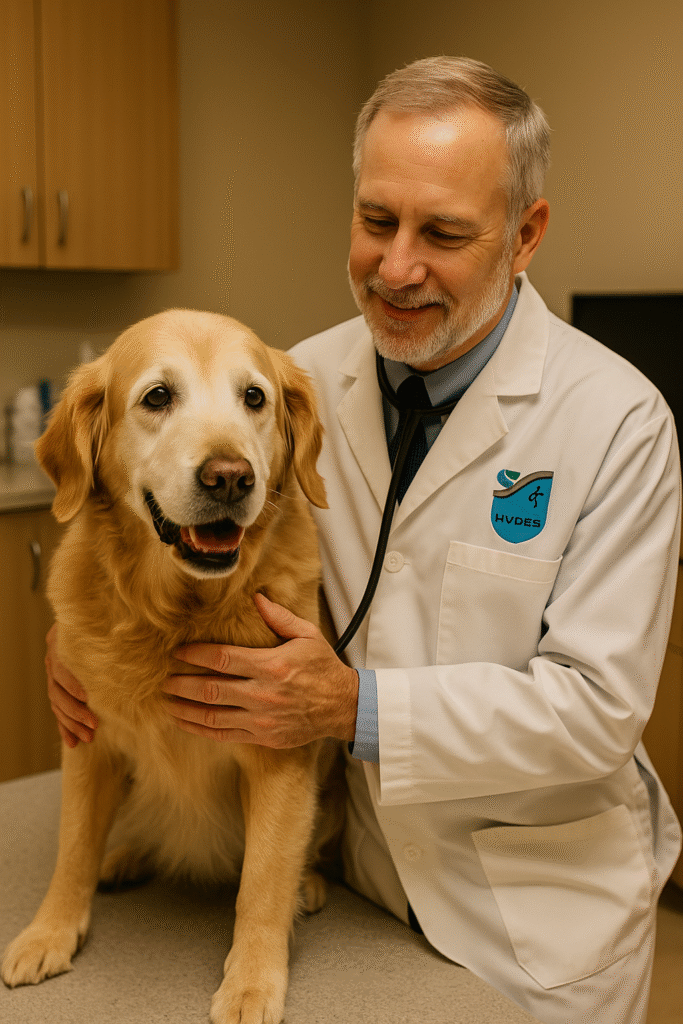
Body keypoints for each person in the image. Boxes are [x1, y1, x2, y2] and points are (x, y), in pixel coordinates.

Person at [46, 57, 681, 1024]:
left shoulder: (618, 421)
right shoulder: (286, 383)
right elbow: (147, 540)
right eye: (376, 220)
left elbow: (596, 709)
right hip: (356, 882)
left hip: (541, 917)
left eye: (444, 233)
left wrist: (357, 709)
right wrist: (80, 644)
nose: (395, 267)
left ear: (525, 235)